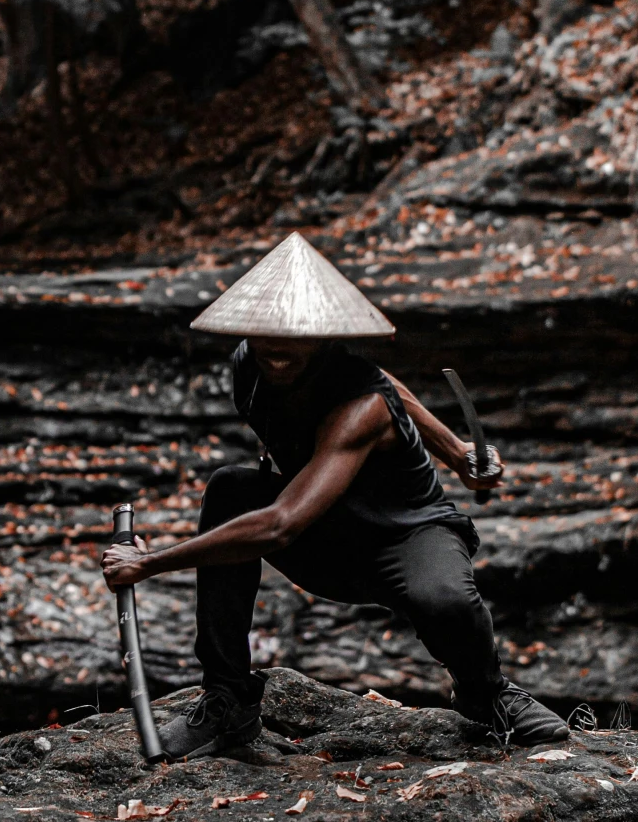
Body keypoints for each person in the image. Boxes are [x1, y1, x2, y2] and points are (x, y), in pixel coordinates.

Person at [100, 232, 571, 760]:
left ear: (322, 336)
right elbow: (391, 384)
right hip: (328, 536)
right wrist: (457, 450)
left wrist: (150, 562)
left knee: (445, 601)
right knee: (231, 489)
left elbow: (282, 524)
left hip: (405, 534)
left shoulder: (361, 405)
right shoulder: (248, 367)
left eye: (294, 336)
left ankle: (487, 695)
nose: (276, 348)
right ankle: (227, 698)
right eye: (263, 334)